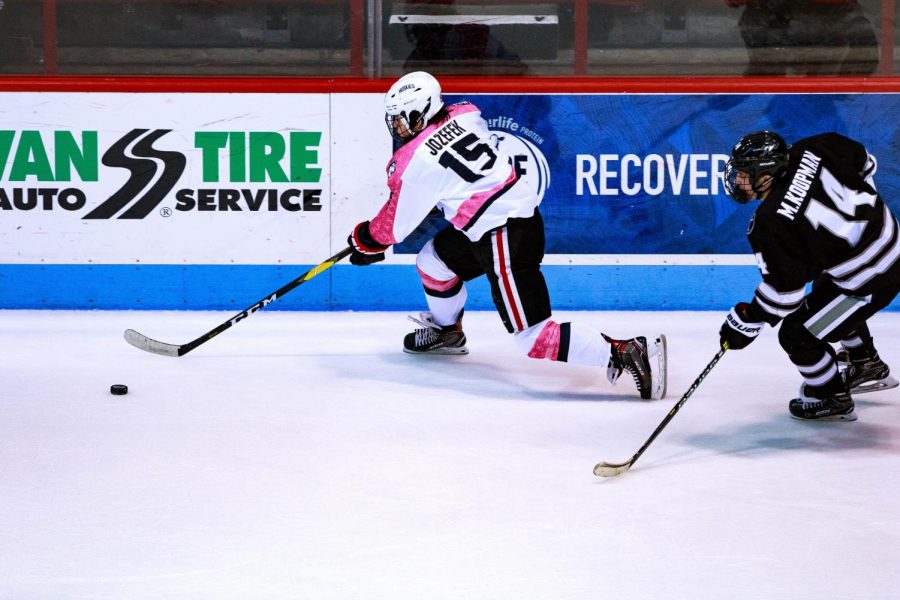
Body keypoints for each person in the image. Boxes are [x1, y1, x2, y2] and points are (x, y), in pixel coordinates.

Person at [346, 71, 667, 400]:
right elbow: (456, 169)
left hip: (503, 233)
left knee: (534, 337)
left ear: (424, 110)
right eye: (395, 120)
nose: (398, 127)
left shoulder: (414, 163)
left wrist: (365, 240)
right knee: (433, 261)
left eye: (404, 118)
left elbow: (394, 226)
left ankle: (627, 351)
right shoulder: (466, 115)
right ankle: (447, 333)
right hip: (499, 222)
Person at [719, 130, 900, 421]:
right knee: (825, 295)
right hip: (890, 240)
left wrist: (747, 319)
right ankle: (866, 362)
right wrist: (853, 222)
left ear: (768, 174)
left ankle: (831, 396)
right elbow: (863, 161)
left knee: (797, 334)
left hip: (871, 280)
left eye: (745, 173)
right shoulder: (811, 147)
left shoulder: (771, 223)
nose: (738, 180)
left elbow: (784, 298)